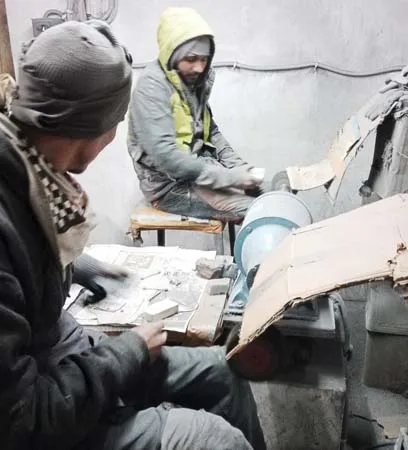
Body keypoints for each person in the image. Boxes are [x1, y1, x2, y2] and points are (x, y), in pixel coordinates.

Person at [0, 21, 265, 450]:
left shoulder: (25, 163)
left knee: (222, 370)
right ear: (92, 129)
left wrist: (76, 265)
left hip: (68, 358)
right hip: (45, 412)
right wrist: (125, 353)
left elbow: (25, 253)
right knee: (215, 440)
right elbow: (22, 421)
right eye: (117, 122)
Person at [128, 7, 263, 223]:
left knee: (267, 197)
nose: (199, 67)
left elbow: (212, 132)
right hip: (170, 186)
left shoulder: (193, 81)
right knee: (258, 210)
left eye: (204, 59)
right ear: (173, 53)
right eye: (191, 58)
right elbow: (167, 157)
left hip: (201, 170)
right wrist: (231, 178)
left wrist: (241, 169)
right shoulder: (152, 88)